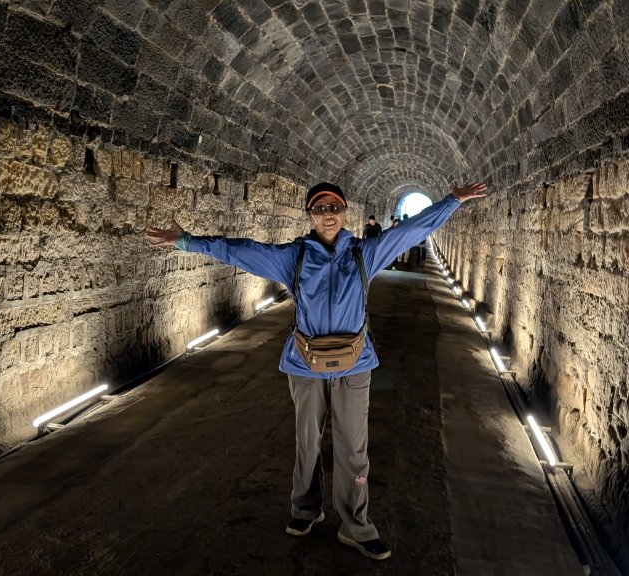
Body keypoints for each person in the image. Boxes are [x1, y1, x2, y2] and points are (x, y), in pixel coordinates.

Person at [146, 181, 488, 561]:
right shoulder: (294, 257)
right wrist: (187, 241)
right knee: (307, 443)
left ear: (343, 213)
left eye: (334, 208)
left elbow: (413, 230)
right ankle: (305, 509)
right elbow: (241, 251)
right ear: (311, 215)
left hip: (354, 366)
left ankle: (356, 525)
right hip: (305, 365)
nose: (328, 214)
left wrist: (452, 201)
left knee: (353, 448)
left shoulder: (364, 254)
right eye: (320, 208)